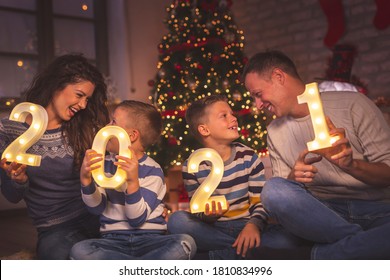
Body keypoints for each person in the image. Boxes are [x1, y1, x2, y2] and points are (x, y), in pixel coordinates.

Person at [243, 50, 390, 259]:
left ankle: (320, 256)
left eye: (258, 94)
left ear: (278, 76)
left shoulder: (353, 104)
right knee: (272, 192)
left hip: (377, 211)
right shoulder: (275, 130)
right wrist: (294, 177)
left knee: (273, 250)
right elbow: (282, 197)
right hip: (320, 217)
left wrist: (350, 165)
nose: (257, 105)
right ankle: (359, 245)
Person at [0, 54, 110, 259]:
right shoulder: (11, 130)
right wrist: (18, 180)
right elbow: (12, 196)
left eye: (87, 99)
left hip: (100, 218)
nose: (84, 105)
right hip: (55, 230)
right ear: (57, 85)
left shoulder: (87, 128)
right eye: (79, 95)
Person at [167, 94, 303, 259]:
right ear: (204, 129)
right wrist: (209, 216)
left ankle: (221, 255)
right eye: (224, 116)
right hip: (214, 229)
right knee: (177, 221)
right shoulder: (192, 165)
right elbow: (197, 210)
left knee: (288, 240)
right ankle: (245, 251)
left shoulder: (248, 157)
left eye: (231, 114)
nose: (233, 118)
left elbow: (260, 202)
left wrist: (254, 225)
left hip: (248, 225)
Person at [70, 100, 196, 260]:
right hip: (113, 241)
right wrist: (85, 179)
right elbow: (96, 208)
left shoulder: (153, 170)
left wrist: (132, 182)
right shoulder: (105, 164)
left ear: (131, 135)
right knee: (79, 250)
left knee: (185, 243)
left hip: (151, 240)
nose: (107, 126)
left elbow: (136, 219)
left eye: (113, 121)